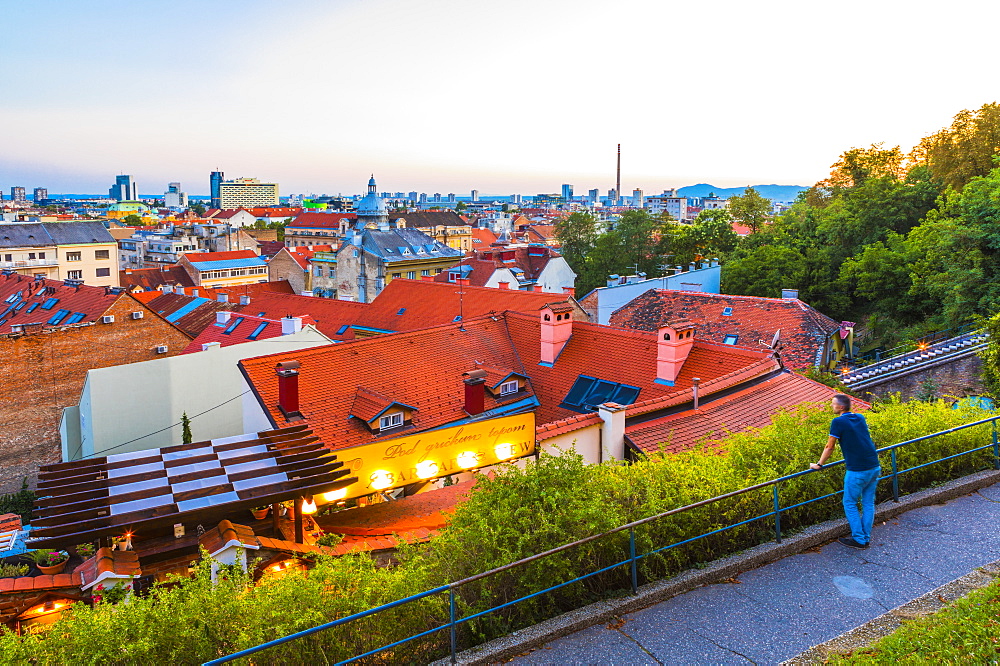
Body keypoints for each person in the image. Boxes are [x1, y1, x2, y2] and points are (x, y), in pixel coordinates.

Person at [810, 394, 880, 549]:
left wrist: (819, 464)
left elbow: (829, 446)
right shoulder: (860, 417)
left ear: (841, 407)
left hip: (857, 470)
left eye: (833, 404)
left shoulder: (838, 422)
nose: (831, 406)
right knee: (868, 502)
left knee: (849, 503)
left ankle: (859, 540)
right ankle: (865, 537)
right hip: (874, 465)